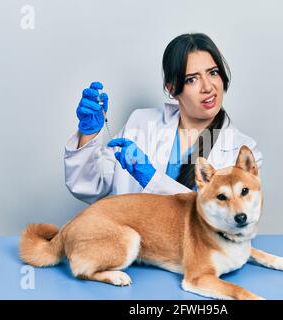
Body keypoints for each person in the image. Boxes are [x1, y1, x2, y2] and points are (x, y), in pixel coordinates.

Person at [64, 33, 263, 204]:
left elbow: (223, 219)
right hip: (130, 244)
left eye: (213, 72)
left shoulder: (242, 150)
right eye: (191, 79)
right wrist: (87, 135)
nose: (208, 87)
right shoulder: (141, 123)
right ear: (171, 88)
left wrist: (152, 179)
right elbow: (90, 185)